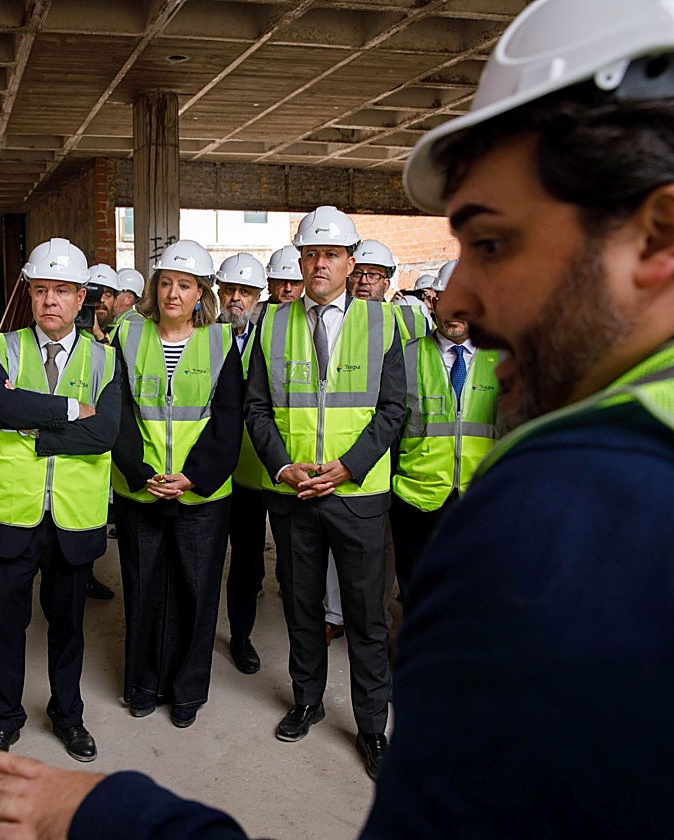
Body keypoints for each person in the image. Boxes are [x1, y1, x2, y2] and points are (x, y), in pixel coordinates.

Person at [0, 0, 674, 836]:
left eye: (494, 245)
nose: (456, 298)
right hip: (220, 490)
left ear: (660, 234)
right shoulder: (587, 478)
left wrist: (114, 819)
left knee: (355, 617)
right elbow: (237, 408)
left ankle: (358, 720)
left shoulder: (602, 515)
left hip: (322, 492)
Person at [246, 206, 405, 780]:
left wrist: (347, 467)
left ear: (350, 262)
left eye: (330, 254)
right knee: (302, 605)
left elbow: (393, 410)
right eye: (310, 254)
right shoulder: (271, 324)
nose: (318, 264)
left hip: (357, 494)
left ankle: (371, 726)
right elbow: (256, 408)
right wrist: (284, 467)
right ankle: (307, 700)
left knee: (365, 617)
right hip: (294, 494)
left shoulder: (385, 324)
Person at [0, 237, 121, 764]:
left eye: (62, 291)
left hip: (72, 518)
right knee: (4, 624)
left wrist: (43, 430)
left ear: (82, 299)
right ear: (30, 296)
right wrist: (75, 408)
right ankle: (4, 718)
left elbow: (106, 434)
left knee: (68, 627)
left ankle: (68, 716)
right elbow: (4, 408)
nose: (50, 301)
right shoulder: (0, 348)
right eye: (41, 291)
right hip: (8, 513)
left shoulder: (107, 360)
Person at [111, 239, 242, 728]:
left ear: (200, 293)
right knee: (143, 588)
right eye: (165, 282)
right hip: (140, 488)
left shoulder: (221, 341)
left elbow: (228, 420)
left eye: (184, 285)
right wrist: (143, 473)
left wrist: (195, 477)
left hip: (201, 494)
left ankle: (187, 691)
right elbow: (118, 412)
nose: (172, 293)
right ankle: (143, 685)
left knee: (196, 591)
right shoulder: (127, 335)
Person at [389, 271, 500, 596]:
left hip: (479, 499)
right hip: (416, 498)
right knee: (416, 588)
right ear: (432, 303)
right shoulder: (407, 356)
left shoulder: (503, 360)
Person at [214, 253, 269, 674]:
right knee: (205, 558)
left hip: (253, 472)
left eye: (245, 292)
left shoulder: (272, 337)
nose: (236, 298)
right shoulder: (204, 336)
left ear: (257, 297)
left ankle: (241, 635)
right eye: (229, 290)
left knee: (248, 560)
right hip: (209, 470)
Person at [81, 263, 121, 601]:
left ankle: (88, 573)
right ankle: (81, 576)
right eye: (94, 294)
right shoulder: (66, 331)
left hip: (104, 440)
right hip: (72, 438)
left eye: (106, 294)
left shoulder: (117, 335)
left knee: (95, 517)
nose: (100, 302)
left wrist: (98, 335)